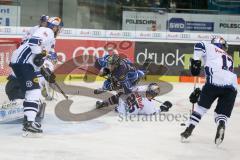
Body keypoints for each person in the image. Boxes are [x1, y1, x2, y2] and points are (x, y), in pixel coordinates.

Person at [9, 16, 63, 135]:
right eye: (58, 27)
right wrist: (39, 56)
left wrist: (45, 70)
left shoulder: (49, 37)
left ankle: (28, 121)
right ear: (54, 27)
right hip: (22, 62)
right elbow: (34, 43)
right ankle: (29, 123)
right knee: (34, 91)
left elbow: (38, 60)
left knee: (33, 90)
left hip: (22, 63)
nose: (59, 30)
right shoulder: (47, 31)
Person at [180, 37, 238, 145]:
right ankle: (221, 124)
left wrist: (196, 61)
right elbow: (223, 74)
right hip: (232, 86)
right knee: (221, 113)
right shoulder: (229, 57)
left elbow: (199, 45)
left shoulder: (210, 46)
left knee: (201, 108)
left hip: (213, 83)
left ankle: (189, 129)